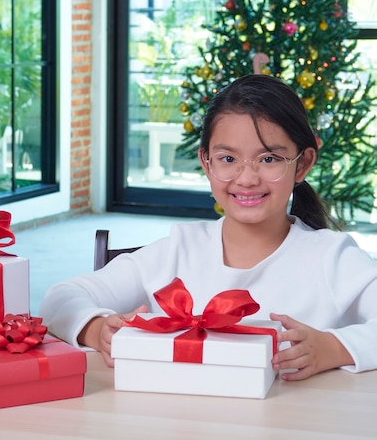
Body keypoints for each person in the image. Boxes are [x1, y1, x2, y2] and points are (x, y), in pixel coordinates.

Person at [39, 74, 377, 381]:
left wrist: (334, 347)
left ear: (301, 164)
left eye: (269, 159)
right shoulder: (178, 249)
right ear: (206, 162)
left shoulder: (331, 257)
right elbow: (60, 299)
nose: (246, 178)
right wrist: (97, 329)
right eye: (228, 159)